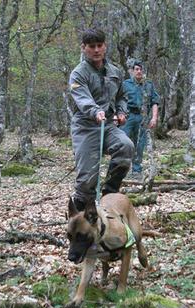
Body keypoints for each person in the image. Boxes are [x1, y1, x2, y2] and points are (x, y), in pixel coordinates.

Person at [68, 28, 134, 211]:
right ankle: (80, 220)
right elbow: (82, 98)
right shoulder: (78, 73)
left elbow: (122, 95)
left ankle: (109, 194)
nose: (96, 50)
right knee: (87, 180)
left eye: (99, 45)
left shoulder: (115, 71)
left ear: (105, 46)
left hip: (109, 126)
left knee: (126, 147)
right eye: (91, 46)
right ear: (84, 48)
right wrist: (95, 111)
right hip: (86, 127)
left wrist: (121, 112)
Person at [121, 61, 160, 177]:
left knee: (140, 144)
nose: (139, 71)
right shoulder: (125, 84)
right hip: (128, 116)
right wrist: (117, 115)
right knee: (125, 142)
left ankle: (137, 170)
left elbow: (155, 102)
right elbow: (118, 100)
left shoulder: (149, 84)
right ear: (132, 71)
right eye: (136, 69)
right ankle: (123, 170)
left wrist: (154, 117)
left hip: (142, 117)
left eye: (141, 69)